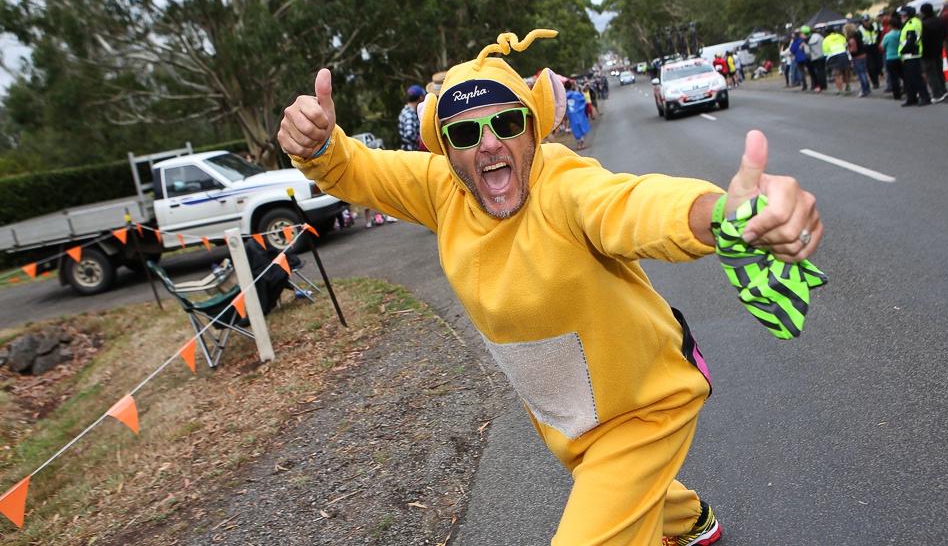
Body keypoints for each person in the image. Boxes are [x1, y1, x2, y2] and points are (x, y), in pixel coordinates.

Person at [278, 29, 823, 546]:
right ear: (445, 149)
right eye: (466, 133)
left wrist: (727, 214)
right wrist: (322, 144)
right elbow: (360, 170)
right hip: (567, 418)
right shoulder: (442, 189)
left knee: (602, 502)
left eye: (508, 123)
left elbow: (633, 206)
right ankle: (691, 520)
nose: (489, 145)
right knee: (604, 479)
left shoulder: (564, 186)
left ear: (534, 129)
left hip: (644, 406)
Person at [898, 6, 932, 107]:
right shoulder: (912, 22)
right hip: (909, 55)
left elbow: (910, 41)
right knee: (909, 79)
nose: (902, 16)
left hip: (911, 54)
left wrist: (904, 51)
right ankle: (912, 98)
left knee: (916, 78)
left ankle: (924, 97)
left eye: (903, 14)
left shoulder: (911, 24)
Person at [919, 3, 948, 103]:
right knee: (939, 70)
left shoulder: (924, 24)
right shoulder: (940, 20)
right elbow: (945, 33)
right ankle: (943, 90)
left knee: (931, 73)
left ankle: (937, 93)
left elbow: (924, 39)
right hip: (938, 48)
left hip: (927, 52)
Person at [843, 22, 871, 97]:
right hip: (863, 55)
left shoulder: (852, 39)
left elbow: (854, 50)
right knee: (864, 72)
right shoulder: (858, 35)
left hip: (857, 57)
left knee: (861, 73)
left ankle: (864, 89)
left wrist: (848, 48)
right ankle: (867, 88)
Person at [881, 14, 904, 100]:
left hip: (891, 57)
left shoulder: (888, 36)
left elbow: (883, 46)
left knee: (894, 78)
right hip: (900, 57)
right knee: (904, 75)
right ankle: (908, 90)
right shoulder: (901, 33)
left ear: (890, 26)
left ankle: (897, 95)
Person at [822, 26, 850, 95]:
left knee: (837, 75)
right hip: (844, 55)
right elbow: (846, 44)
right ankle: (847, 85)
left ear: (826, 33)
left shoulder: (826, 40)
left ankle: (841, 91)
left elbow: (825, 52)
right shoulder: (840, 36)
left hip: (834, 58)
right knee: (844, 72)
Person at [858, 15, 883, 90]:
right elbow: (859, 40)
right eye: (865, 21)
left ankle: (879, 72)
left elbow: (879, 35)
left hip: (876, 47)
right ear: (863, 22)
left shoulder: (875, 26)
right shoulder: (860, 29)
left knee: (879, 64)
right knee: (871, 67)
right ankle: (875, 82)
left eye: (868, 20)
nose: (867, 22)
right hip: (867, 49)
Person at [565, 79, 590, 150]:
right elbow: (583, 100)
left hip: (571, 114)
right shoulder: (576, 94)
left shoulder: (564, 96)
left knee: (575, 128)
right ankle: (582, 142)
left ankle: (578, 143)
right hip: (578, 112)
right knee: (580, 126)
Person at [400, 85, 426, 151]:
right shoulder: (409, 114)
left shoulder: (405, 111)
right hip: (411, 152)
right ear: (420, 97)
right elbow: (409, 134)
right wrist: (422, 141)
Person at [804, 25, 826, 92]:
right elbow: (824, 43)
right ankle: (824, 85)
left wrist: (809, 57)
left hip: (814, 57)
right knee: (822, 71)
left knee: (817, 72)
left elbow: (807, 50)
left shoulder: (808, 39)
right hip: (822, 55)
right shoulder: (819, 37)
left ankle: (819, 85)